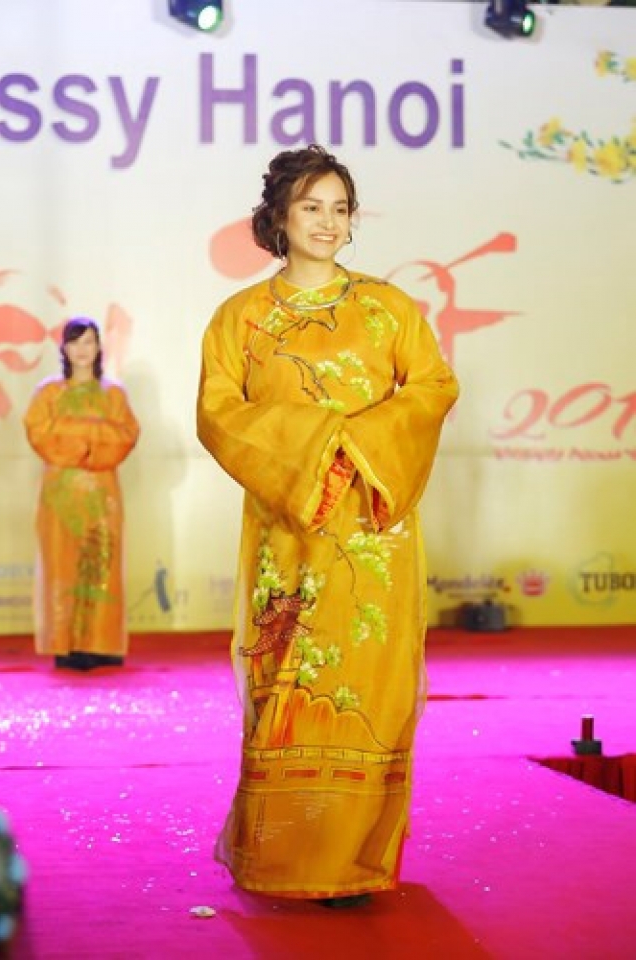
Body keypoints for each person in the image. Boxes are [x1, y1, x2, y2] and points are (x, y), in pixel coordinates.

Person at [196, 145, 459, 906]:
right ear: (278, 215)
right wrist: (313, 450)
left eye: (340, 208)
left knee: (366, 688)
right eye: (312, 206)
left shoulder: (387, 306)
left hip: (372, 530)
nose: (328, 222)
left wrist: (357, 448)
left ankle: (352, 864)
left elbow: (434, 385)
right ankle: (282, 858)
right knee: (288, 685)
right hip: (290, 528)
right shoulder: (239, 317)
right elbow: (220, 415)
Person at [24, 318, 139, 670]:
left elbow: (125, 435)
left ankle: (102, 644)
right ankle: (66, 644)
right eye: (75, 343)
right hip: (60, 494)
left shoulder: (114, 394)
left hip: (102, 492)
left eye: (88, 342)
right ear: (64, 348)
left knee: (101, 563)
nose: (82, 350)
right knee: (63, 565)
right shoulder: (48, 393)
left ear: (99, 347)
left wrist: (82, 443)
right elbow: (40, 434)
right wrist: (92, 438)